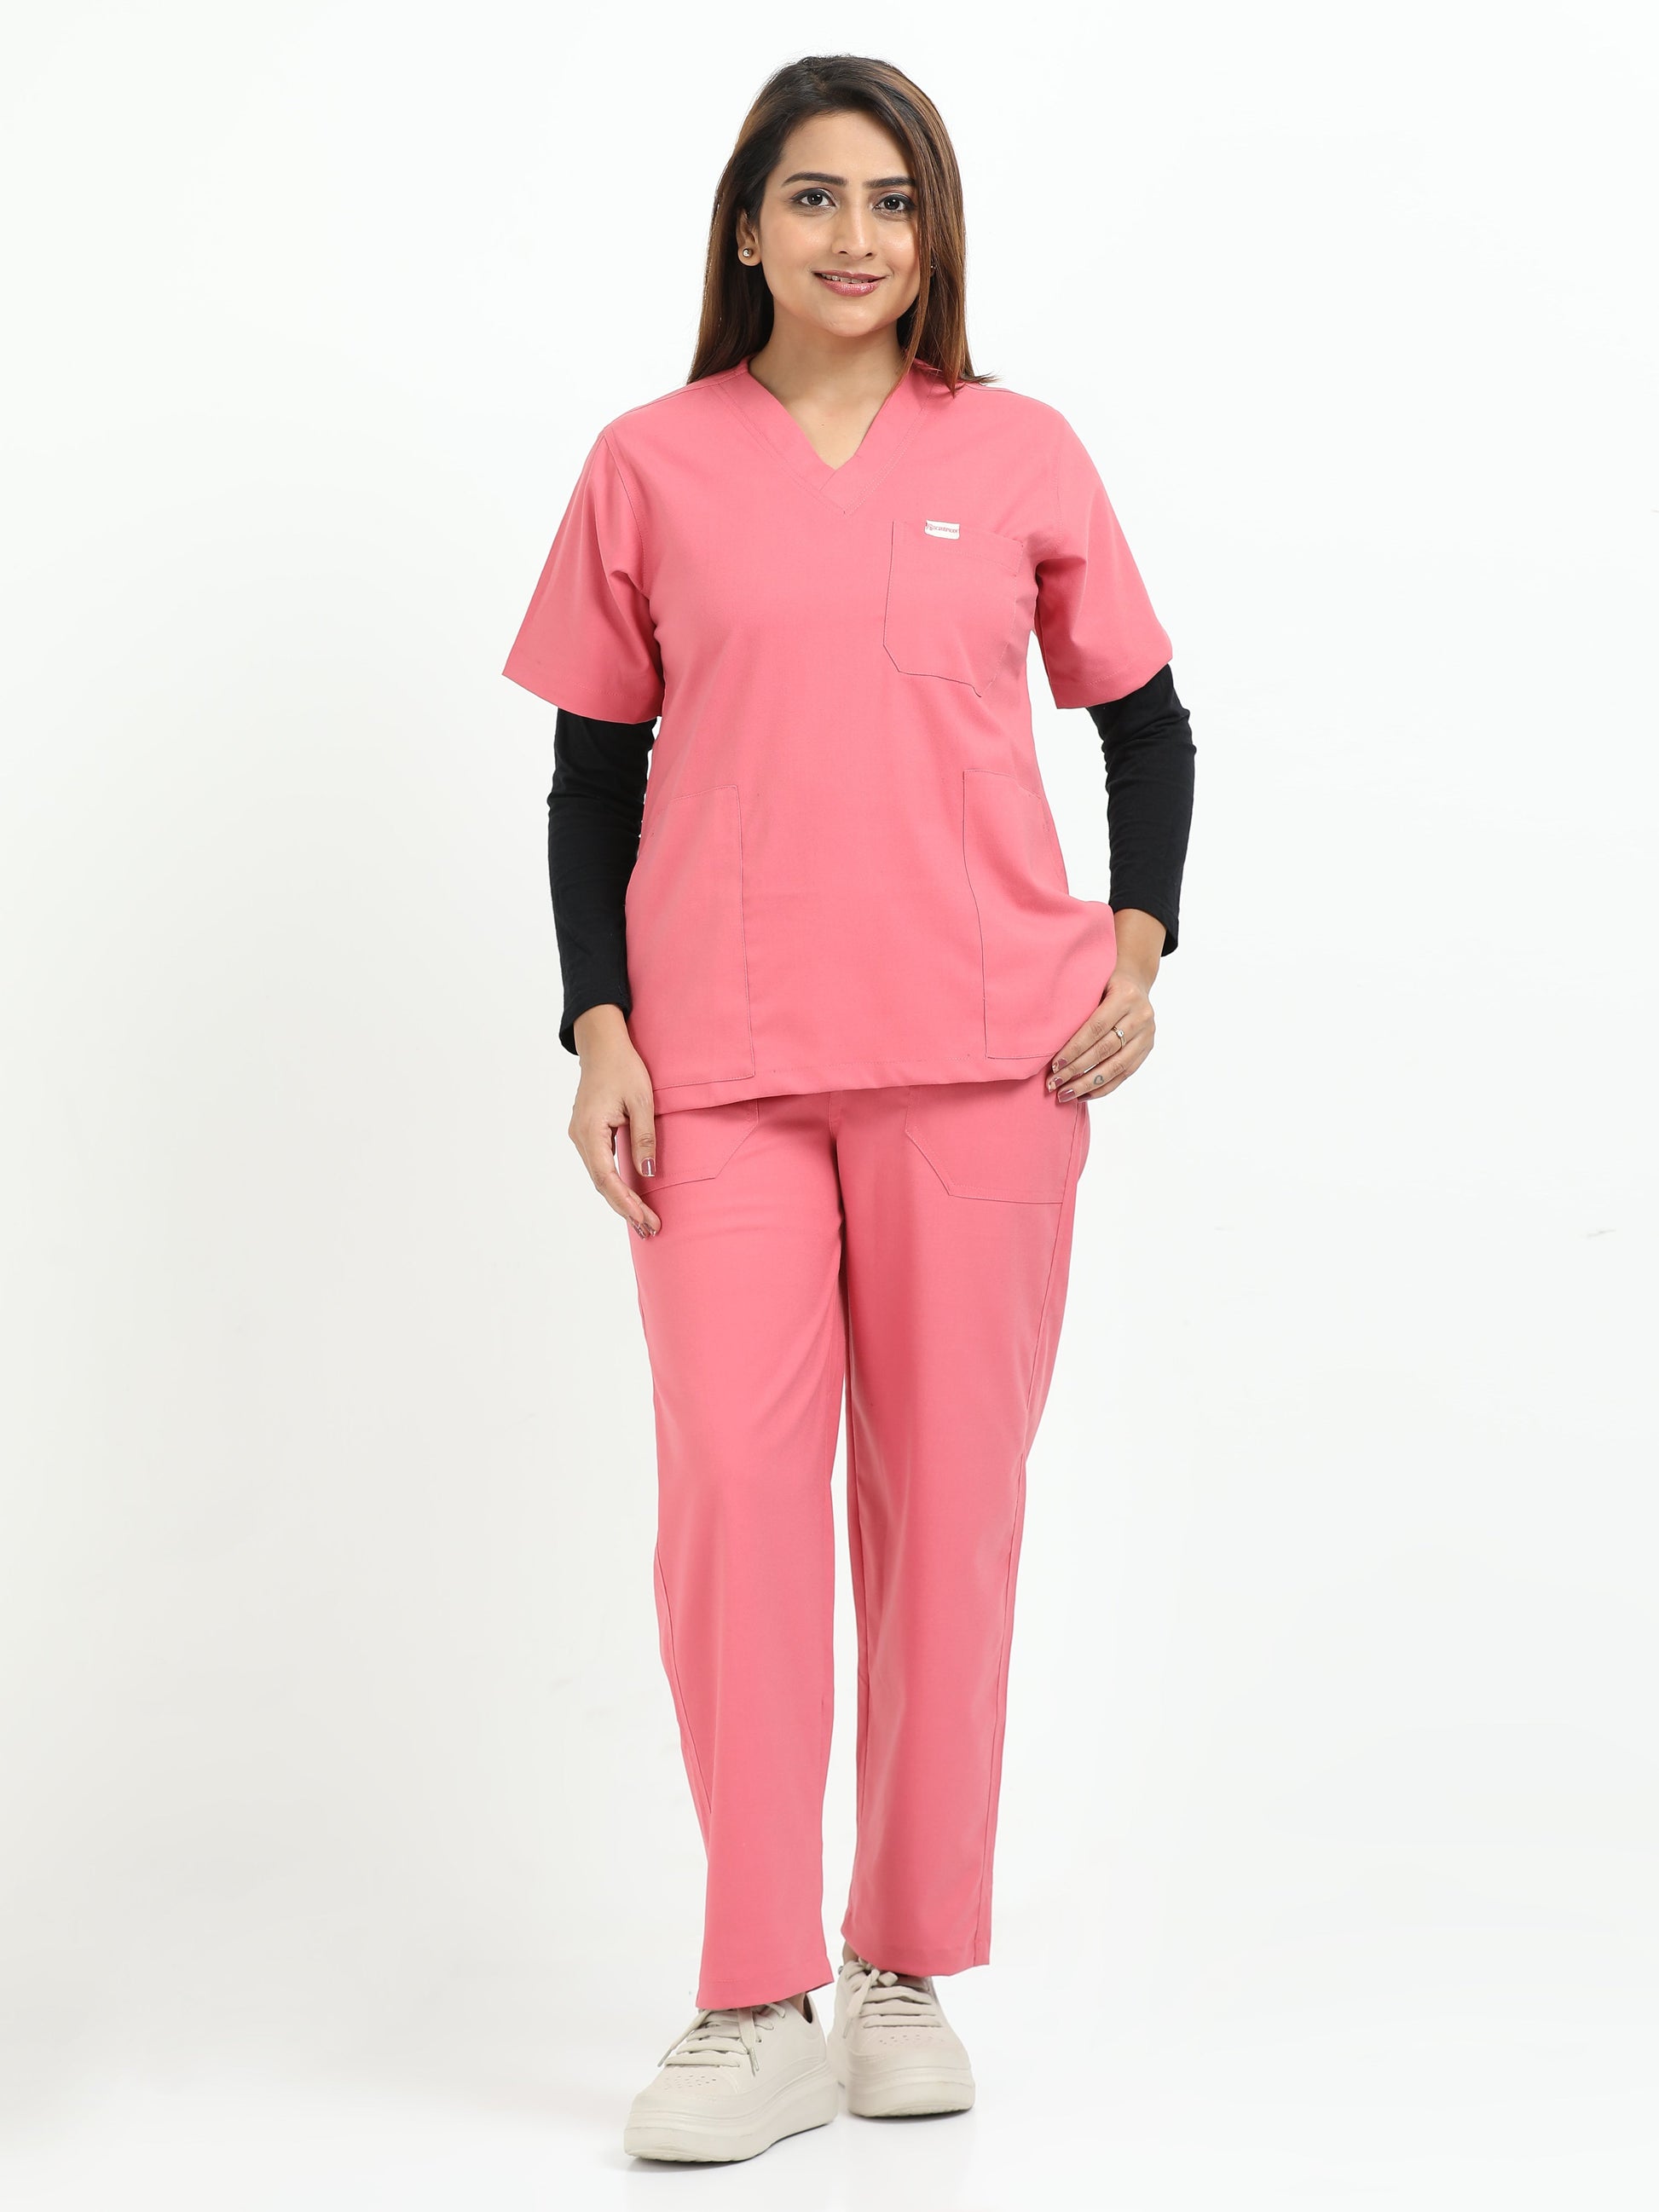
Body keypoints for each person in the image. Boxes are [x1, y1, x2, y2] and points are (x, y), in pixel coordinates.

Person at [501, 54, 1196, 2167]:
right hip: (716, 1069)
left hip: (985, 1059)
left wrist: (1137, 947)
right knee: (733, 1498)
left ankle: (901, 1961)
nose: (855, 236)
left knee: (947, 1515)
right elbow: (592, 775)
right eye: (812, 196)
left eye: (891, 200)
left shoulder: (1020, 450)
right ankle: (750, 1993)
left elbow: (1147, 722)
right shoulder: (648, 462)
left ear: (933, 232)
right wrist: (596, 1023)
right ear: (746, 227)